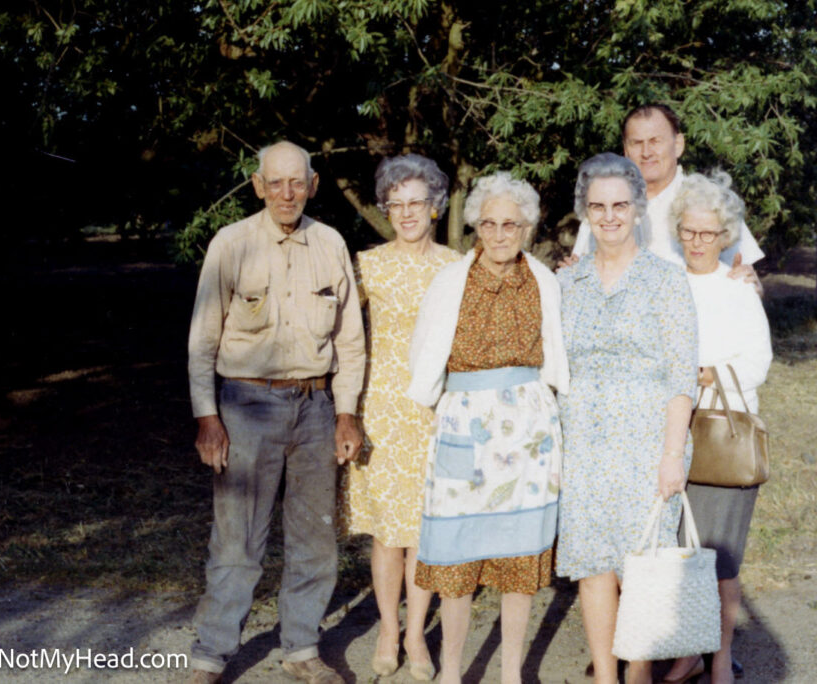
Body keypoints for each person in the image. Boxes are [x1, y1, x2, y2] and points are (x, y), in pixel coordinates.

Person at [186, 141, 365, 684]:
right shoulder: (231, 243)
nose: (287, 193)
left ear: (313, 185)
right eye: (276, 183)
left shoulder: (330, 243)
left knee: (315, 538)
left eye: (297, 182)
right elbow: (203, 339)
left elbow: (350, 340)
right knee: (238, 539)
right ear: (258, 185)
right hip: (246, 406)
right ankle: (210, 655)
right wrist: (206, 415)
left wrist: (347, 412)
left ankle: (302, 648)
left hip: (315, 407)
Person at [407, 172, 569, 684]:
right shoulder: (453, 279)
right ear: (476, 226)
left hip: (528, 430)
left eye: (511, 225)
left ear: (527, 228)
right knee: (457, 559)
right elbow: (424, 351)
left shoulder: (543, 279)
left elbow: (558, 352)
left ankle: (511, 673)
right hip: (467, 426)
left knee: (520, 558)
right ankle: (452, 671)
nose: (500, 235)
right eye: (490, 224)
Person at [556, 153, 698, 684]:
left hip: (647, 446)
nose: (610, 216)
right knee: (593, 567)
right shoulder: (565, 285)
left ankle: (639, 672)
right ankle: (607, 676)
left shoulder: (667, 281)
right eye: (598, 206)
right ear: (584, 212)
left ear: (639, 209)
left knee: (642, 568)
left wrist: (670, 456)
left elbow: (682, 377)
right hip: (583, 446)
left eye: (620, 204)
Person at [339, 154, 460, 680]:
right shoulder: (367, 264)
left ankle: (417, 636)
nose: (407, 213)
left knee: (425, 532)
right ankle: (389, 629)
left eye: (417, 203)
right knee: (389, 532)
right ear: (386, 208)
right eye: (396, 204)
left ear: (435, 207)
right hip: (382, 409)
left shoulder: (457, 265)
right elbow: (340, 333)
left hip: (436, 409)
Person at [661, 171, 773, 684]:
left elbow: (758, 362)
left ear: (725, 235)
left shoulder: (738, 289)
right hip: (669, 434)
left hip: (721, 438)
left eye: (709, 233)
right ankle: (686, 653)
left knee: (720, 560)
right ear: (677, 230)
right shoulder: (662, 284)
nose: (699, 242)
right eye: (689, 231)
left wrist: (707, 374)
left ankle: (721, 659)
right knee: (677, 555)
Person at [565, 104, 764, 292]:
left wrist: (751, 288)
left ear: (678, 144)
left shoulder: (709, 202)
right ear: (625, 151)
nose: (646, 153)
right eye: (636, 143)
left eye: (655, 141)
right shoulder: (604, 207)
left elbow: (747, 280)